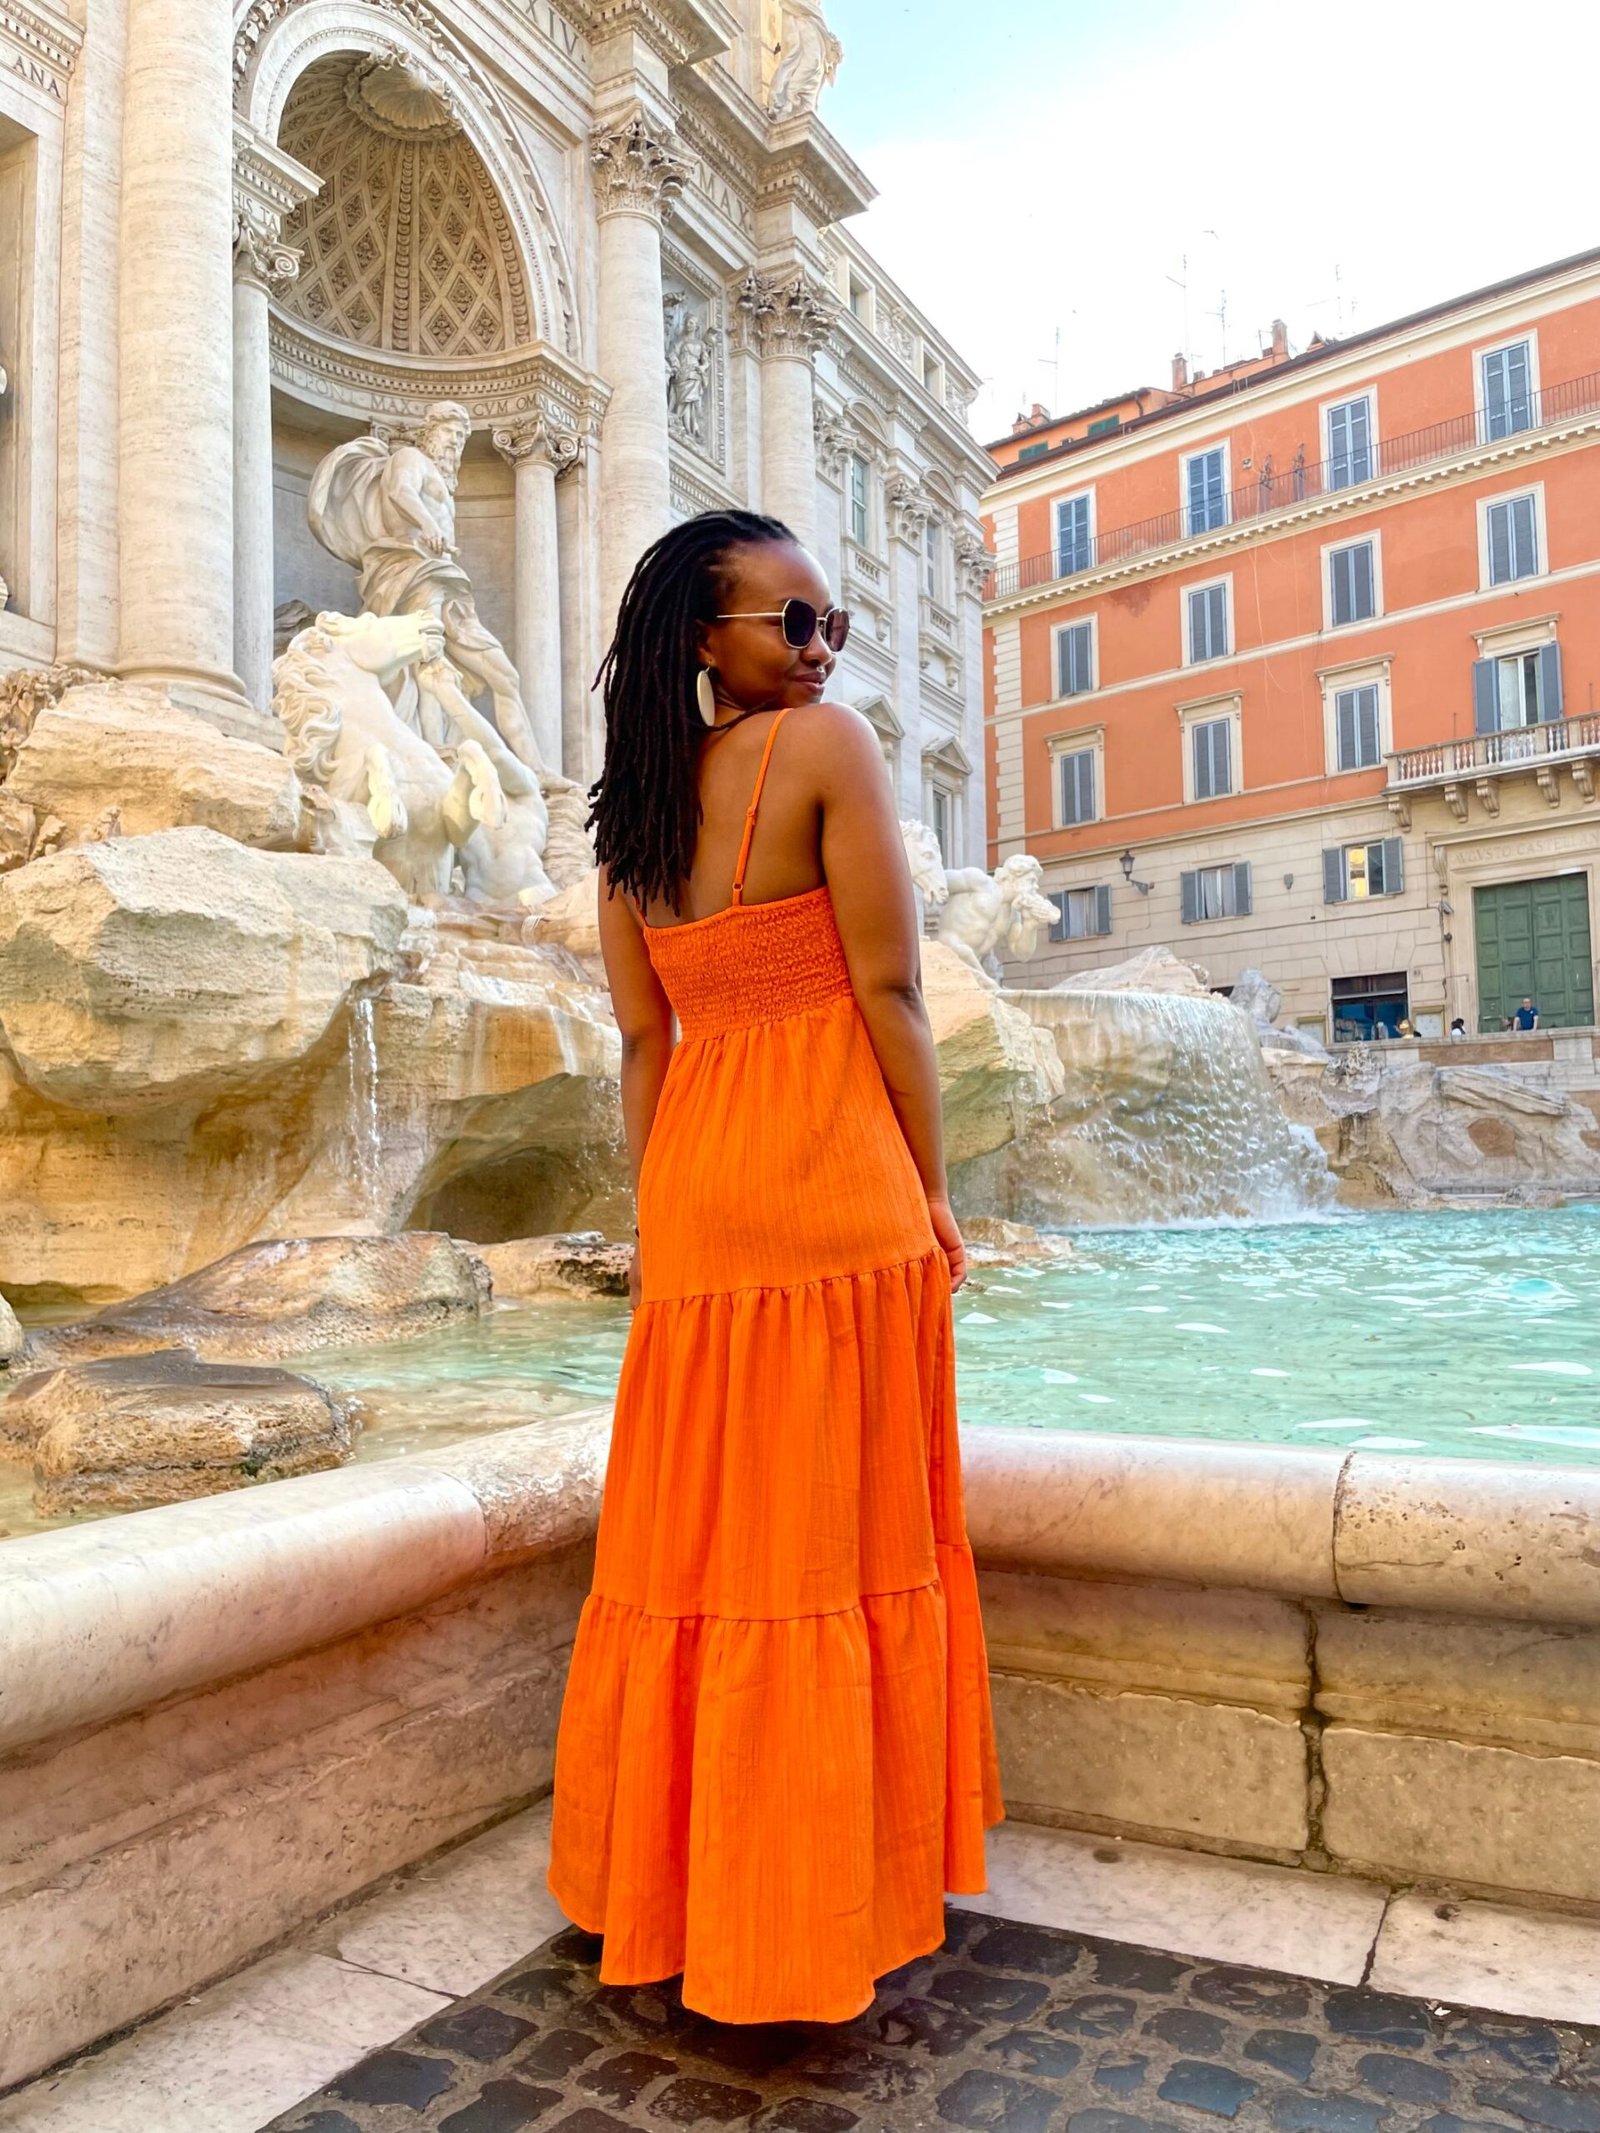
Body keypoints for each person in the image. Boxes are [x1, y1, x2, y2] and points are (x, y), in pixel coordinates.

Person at [545, 511, 1003, 2023]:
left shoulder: (625, 817)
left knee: (698, 1558)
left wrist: (661, 1206)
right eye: (790, 623)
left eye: (831, 627)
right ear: (704, 638)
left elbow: (640, 1044)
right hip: (834, 1191)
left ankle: (675, 1893)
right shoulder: (832, 753)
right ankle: (820, 1895)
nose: (820, 650)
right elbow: (891, 988)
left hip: (700, 1198)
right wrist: (933, 1194)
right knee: (836, 1542)